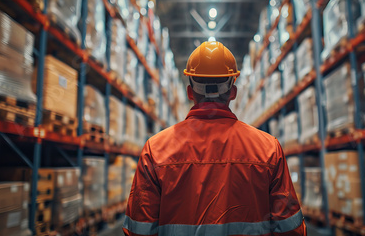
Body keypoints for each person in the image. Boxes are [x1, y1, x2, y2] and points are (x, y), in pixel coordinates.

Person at [123, 41, 306, 236]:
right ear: (233, 92)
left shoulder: (155, 150)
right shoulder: (269, 149)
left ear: (190, 92)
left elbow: (138, 231)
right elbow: (290, 230)